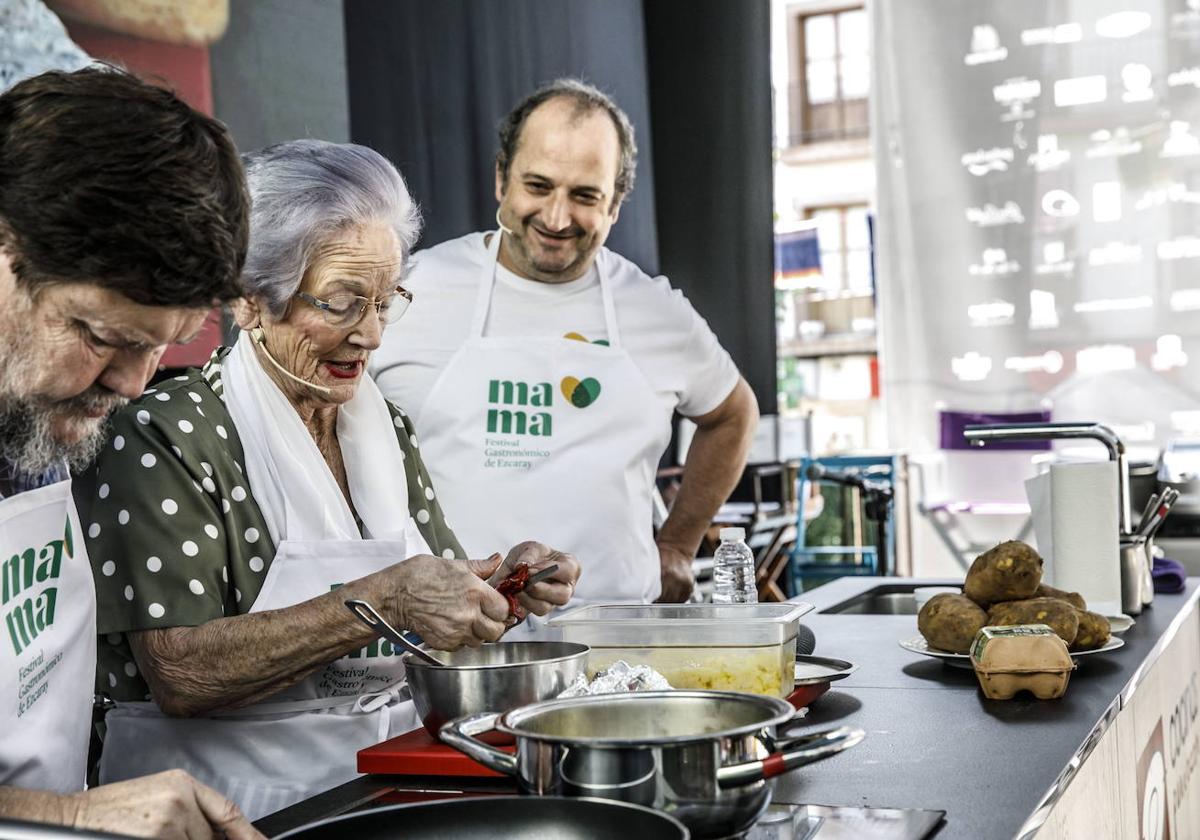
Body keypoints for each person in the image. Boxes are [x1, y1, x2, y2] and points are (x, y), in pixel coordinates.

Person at [76, 139, 581, 820]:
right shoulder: (165, 434)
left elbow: (425, 605)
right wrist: (385, 599)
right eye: (343, 302)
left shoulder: (380, 427)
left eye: (385, 301)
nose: (370, 334)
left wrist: (498, 585)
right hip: (219, 814)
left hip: (370, 794)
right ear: (253, 299)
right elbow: (180, 672)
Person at [370, 79, 758, 605]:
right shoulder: (414, 289)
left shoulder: (653, 310)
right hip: (452, 647)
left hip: (621, 640)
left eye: (584, 196)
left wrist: (678, 545)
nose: (556, 217)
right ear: (501, 179)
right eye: (538, 186)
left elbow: (734, 414)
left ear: (616, 204)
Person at [0, 67, 260, 838]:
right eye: (101, 338)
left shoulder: (35, 412)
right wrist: (64, 817)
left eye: (163, 348)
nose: (128, 384)